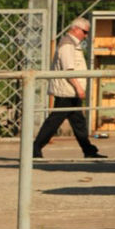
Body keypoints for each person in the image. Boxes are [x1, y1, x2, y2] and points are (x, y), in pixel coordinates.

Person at [32, 17, 106, 159]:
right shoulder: (67, 45)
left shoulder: (72, 44)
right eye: (84, 32)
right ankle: (35, 148)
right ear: (75, 29)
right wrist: (79, 88)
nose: (86, 35)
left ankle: (89, 150)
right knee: (54, 121)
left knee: (78, 122)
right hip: (67, 91)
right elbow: (68, 70)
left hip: (70, 91)